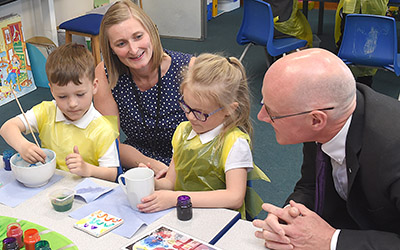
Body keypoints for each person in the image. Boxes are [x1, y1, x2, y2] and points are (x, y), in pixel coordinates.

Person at [253, 48, 400, 249]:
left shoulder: (393, 151)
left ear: (316, 120)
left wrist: (330, 240)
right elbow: (312, 184)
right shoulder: (327, 117)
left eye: (271, 112)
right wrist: (289, 214)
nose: (261, 116)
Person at [137, 53, 270, 219]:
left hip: (220, 221)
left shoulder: (234, 143)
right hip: (186, 215)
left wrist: (176, 199)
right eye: (186, 107)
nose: (191, 117)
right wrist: (152, 182)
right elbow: (170, 183)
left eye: (201, 113)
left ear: (229, 109)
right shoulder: (182, 132)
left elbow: (234, 197)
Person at [94, 0, 195, 177]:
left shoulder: (189, 69)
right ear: (111, 49)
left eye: (138, 36)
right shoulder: (105, 74)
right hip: (136, 163)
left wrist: (169, 172)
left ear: (152, 32)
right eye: (121, 44)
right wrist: (152, 165)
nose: (133, 49)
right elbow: (110, 143)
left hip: (188, 163)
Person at [0, 43, 120, 182]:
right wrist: (23, 145)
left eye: (80, 94)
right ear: (52, 90)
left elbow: (112, 174)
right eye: (62, 97)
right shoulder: (46, 111)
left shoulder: (103, 128)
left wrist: (87, 169)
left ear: (94, 86)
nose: (72, 104)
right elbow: (7, 128)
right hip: (50, 187)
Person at [334, 0, 389, 87]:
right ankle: (342, 87)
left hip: (372, 9)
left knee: (369, 52)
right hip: (352, 8)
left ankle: (362, 90)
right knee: (345, 48)